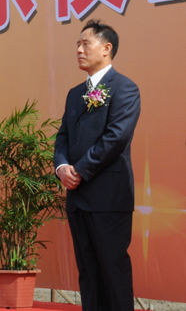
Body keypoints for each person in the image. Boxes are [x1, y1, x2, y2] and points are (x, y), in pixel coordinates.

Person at [54, 20, 141, 311]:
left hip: (108, 197)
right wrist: (62, 167)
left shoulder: (125, 88)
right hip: (78, 199)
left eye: (85, 44)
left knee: (112, 269)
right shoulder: (74, 93)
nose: (79, 49)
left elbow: (116, 138)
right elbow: (63, 137)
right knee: (88, 271)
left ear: (107, 48)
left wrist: (79, 170)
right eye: (77, 45)